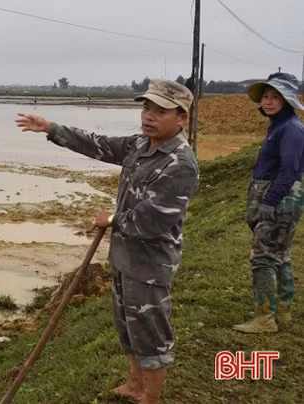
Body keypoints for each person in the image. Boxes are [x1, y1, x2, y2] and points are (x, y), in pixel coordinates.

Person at [15, 79, 198, 404]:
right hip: (124, 256)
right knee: (128, 325)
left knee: (150, 331)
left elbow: (155, 220)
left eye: (160, 111)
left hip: (150, 264)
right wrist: (52, 128)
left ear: (181, 117)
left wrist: (112, 219)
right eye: (146, 107)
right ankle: (134, 382)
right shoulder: (141, 145)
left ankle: (151, 396)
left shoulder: (180, 164)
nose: (149, 116)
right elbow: (97, 143)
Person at [233, 72, 304, 333]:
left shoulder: (292, 130)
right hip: (278, 196)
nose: (269, 101)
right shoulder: (279, 126)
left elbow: (290, 170)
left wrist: (270, 201)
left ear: (287, 101)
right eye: (266, 96)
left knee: (263, 257)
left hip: (280, 198)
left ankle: (264, 319)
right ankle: (282, 313)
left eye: (276, 97)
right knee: (280, 255)